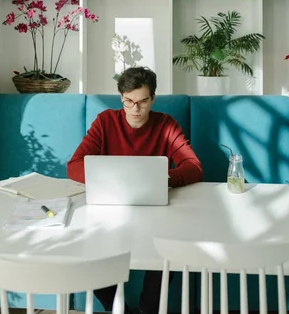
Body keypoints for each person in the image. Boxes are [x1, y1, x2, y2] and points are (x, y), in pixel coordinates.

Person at [67, 66, 203, 314]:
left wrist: (163, 178)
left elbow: (193, 167)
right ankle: (119, 310)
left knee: (168, 249)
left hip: (155, 211)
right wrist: (111, 179)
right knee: (84, 253)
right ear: (121, 97)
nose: (135, 110)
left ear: (152, 98)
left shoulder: (165, 125)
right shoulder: (105, 121)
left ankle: (149, 309)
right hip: (110, 211)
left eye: (142, 102)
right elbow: (74, 166)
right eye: (129, 102)